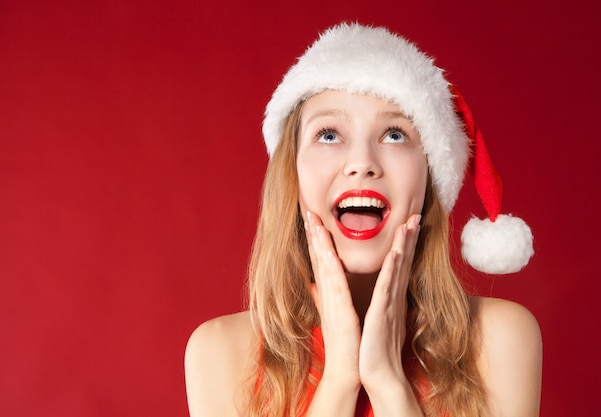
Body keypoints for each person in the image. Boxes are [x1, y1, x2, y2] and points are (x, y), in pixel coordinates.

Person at [185, 23, 542, 417]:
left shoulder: (500, 340)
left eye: (394, 134)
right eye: (328, 134)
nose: (362, 164)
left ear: (429, 178)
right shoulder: (220, 351)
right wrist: (340, 378)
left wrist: (389, 382)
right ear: (294, 175)